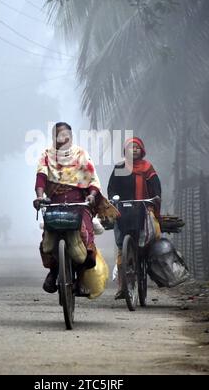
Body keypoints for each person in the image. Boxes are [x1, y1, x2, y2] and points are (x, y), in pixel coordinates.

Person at [33, 122, 119, 294]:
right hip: (55, 203)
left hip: (79, 203)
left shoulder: (81, 154)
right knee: (48, 240)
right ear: (54, 137)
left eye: (67, 135)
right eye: (60, 135)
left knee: (85, 239)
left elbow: (93, 180)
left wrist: (92, 195)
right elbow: (41, 177)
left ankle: (80, 280)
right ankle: (53, 272)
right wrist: (39, 196)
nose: (63, 138)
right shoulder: (46, 155)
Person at [107, 137, 161, 299]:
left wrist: (154, 200)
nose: (134, 150)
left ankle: (143, 265)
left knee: (145, 242)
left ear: (142, 150)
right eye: (131, 147)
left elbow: (155, 187)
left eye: (137, 147)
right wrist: (113, 199)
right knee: (121, 246)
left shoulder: (147, 167)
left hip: (142, 209)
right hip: (122, 209)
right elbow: (111, 187)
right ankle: (123, 286)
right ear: (125, 151)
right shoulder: (120, 167)